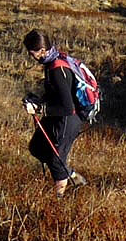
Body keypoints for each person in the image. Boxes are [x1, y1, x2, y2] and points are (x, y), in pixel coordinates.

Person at [22, 28, 88, 194]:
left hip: (69, 118)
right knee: (37, 147)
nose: (31, 56)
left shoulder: (57, 70)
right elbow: (56, 94)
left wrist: (39, 108)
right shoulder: (52, 62)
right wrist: (38, 100)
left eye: (32, 53)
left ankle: (58, 201)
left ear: (42, 51)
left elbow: (67, 107)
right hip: (59, 114)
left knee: (56, 160)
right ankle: (72, 177)